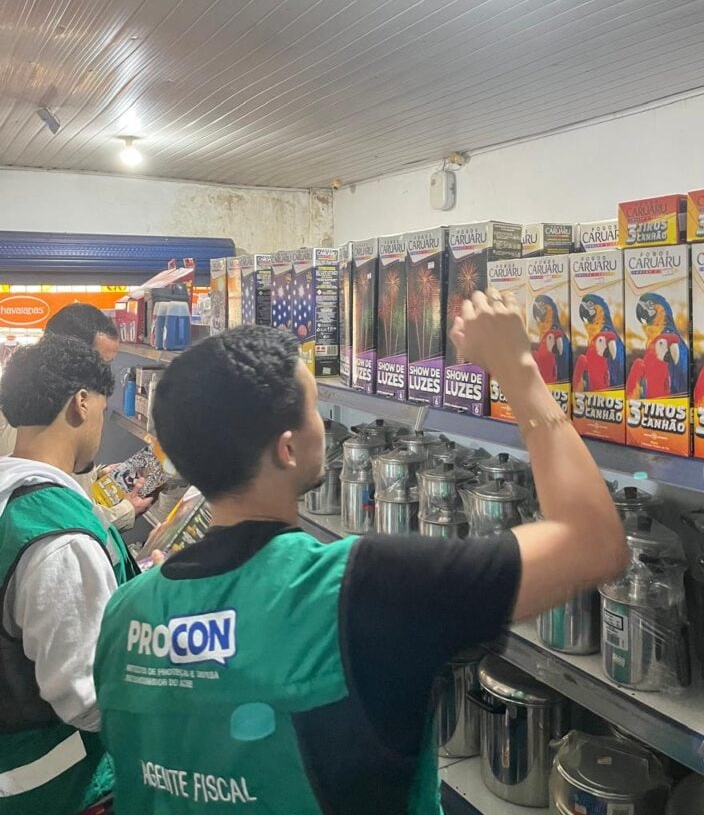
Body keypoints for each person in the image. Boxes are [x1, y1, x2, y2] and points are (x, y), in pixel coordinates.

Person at [94, 291, 629, 815]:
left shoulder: (126, 613)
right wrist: (517, 369)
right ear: (288, 448)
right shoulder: (360, 590)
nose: (323, 424)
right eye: (313, 409)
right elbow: (592, 543)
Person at [0, 335, 138, 815]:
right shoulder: (59, 539)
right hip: (60, 787)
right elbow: (86, 698)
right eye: (102, 407)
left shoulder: (12, 496)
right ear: (81, 402)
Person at [0, 303, 154, 529]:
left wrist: (95, 478)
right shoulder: (29, 419)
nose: (102, 375)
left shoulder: (39, 405)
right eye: (99, 363)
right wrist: (124, 512)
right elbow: (51, 517)